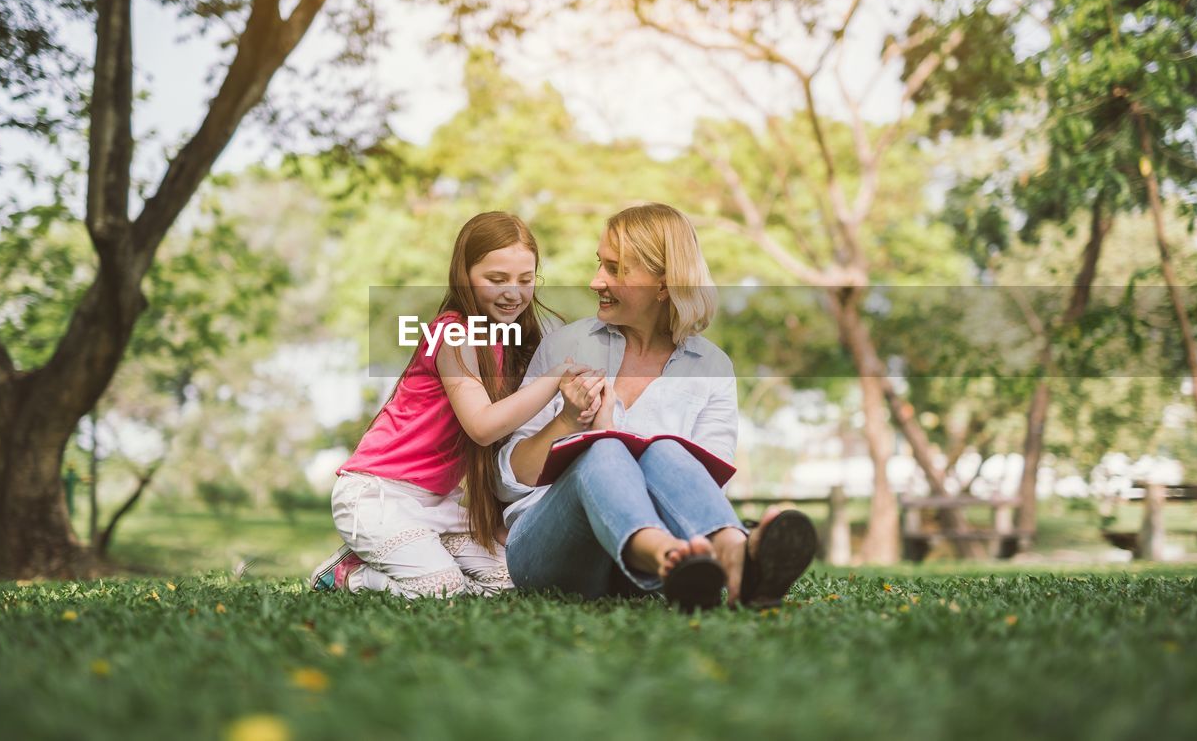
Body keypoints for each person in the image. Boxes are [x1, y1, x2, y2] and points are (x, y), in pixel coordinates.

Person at [495, 203, 817, 610]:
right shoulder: (568, 347)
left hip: (655, 569)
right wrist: (569, 420)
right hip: (550, 555)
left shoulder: (713, 367)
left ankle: (733, 552)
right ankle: (670, 554)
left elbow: (702, 491)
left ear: (662, 284)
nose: (597, 281)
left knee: (667, 451)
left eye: (615, 269)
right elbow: (507, 482)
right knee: (605, 447)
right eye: (600, 264)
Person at [309, 212, 605, 598]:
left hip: (439, 506)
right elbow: (482, 427)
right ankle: (349, 575)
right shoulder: (452, 333)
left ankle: (395, 556)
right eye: (495, 279)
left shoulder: (506, 340)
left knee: (511, 582)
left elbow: (501, 445)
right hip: (380, 496)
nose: (512, 292)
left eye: (525, 280)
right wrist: (553, 380)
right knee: (444, 591)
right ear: (463, 275)